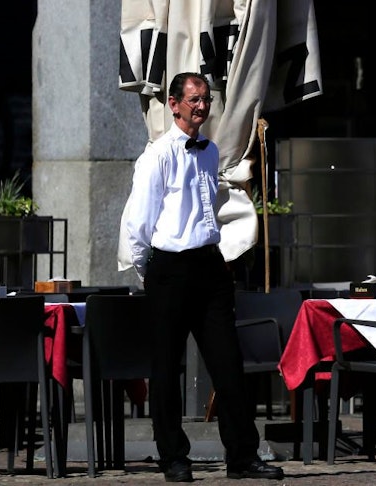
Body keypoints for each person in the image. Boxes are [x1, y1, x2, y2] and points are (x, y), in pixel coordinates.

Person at [120, 72, 283, 482]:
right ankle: (173, 457)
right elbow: (138, 222)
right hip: (170, 268)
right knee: (165, 368)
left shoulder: (210, 152)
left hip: (210, 266)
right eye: (194, 99)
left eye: (206, 99)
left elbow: (210, 210)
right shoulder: (157, 156)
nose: (202, 106)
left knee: (228, 364)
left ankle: (242, 457)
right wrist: (148, 270)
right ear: (174, 104)